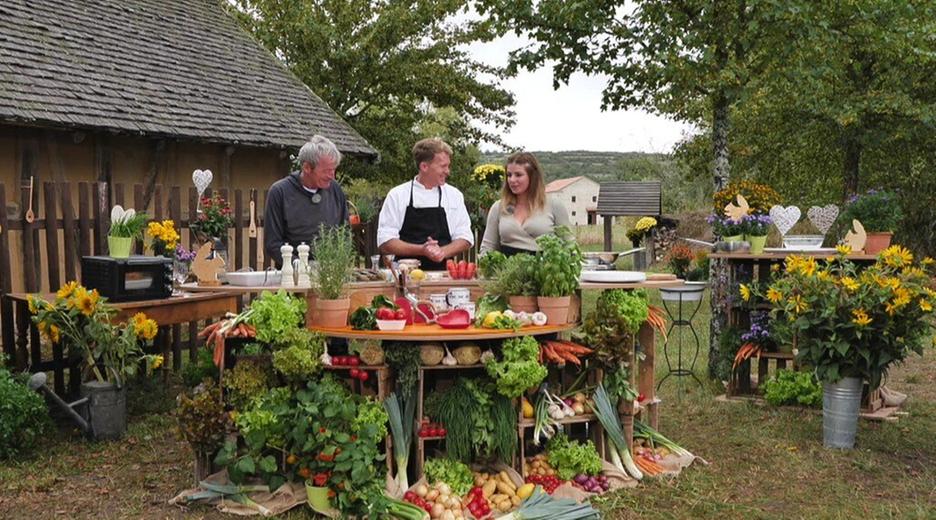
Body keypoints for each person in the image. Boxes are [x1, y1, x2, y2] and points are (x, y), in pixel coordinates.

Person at [376, 138, 473, 270]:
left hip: (444, 276)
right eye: (443, 166)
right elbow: (385, 242)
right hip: (405, 274)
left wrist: (441, 252)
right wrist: (422, 250)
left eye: (448, 166)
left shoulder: (454, 195)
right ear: (424, 167)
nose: (448, 171)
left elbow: (465, 238)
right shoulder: (398, 195)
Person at [264, 135, 349, 267]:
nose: (332, 176)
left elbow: (345, 233)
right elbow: (273, 243)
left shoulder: (336, 190)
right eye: (327, 171)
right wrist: (300, 265)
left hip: (331, 270)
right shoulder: (279, 192)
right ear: (307, 167)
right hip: (292, 272)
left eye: (333, 170)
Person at [479, 152, 570, 256]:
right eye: (509, 175)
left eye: (518, 175)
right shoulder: (499, 207)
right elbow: (488, 247)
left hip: (545, 265)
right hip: (506, 266)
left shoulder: (554, 205)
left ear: (532, 177)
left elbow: (569, 244)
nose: (512, 180)